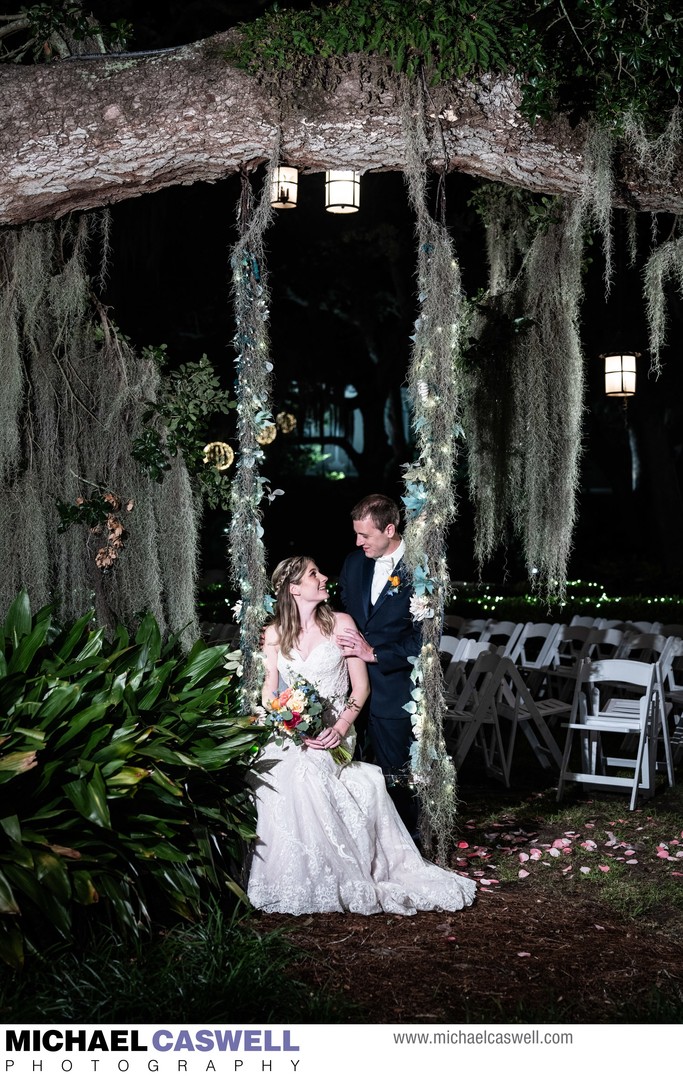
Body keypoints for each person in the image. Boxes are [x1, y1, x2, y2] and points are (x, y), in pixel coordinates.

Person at [246, 555, 476, 916]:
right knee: (275, 769)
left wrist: (339, 728)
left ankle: (335, 873)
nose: (324, 578)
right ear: (294, 589)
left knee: (305, 772)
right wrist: (286, 720)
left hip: (337, 731)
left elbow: (361, 689)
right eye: (313, 575)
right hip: (292, 730)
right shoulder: (275, 632)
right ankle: (292, 874)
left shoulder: (341, 624)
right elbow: (269, 690)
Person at [336, 494, 421, 833]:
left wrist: (376, 655)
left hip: (393, 690)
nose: (358, 543)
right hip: (348, 689)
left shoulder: (422, 570)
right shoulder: (353, 564)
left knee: (396, 776)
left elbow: (425, 639)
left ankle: (410, 846)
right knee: (352, 771)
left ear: (389, 529)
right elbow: (343, 616)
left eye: (365, 536)